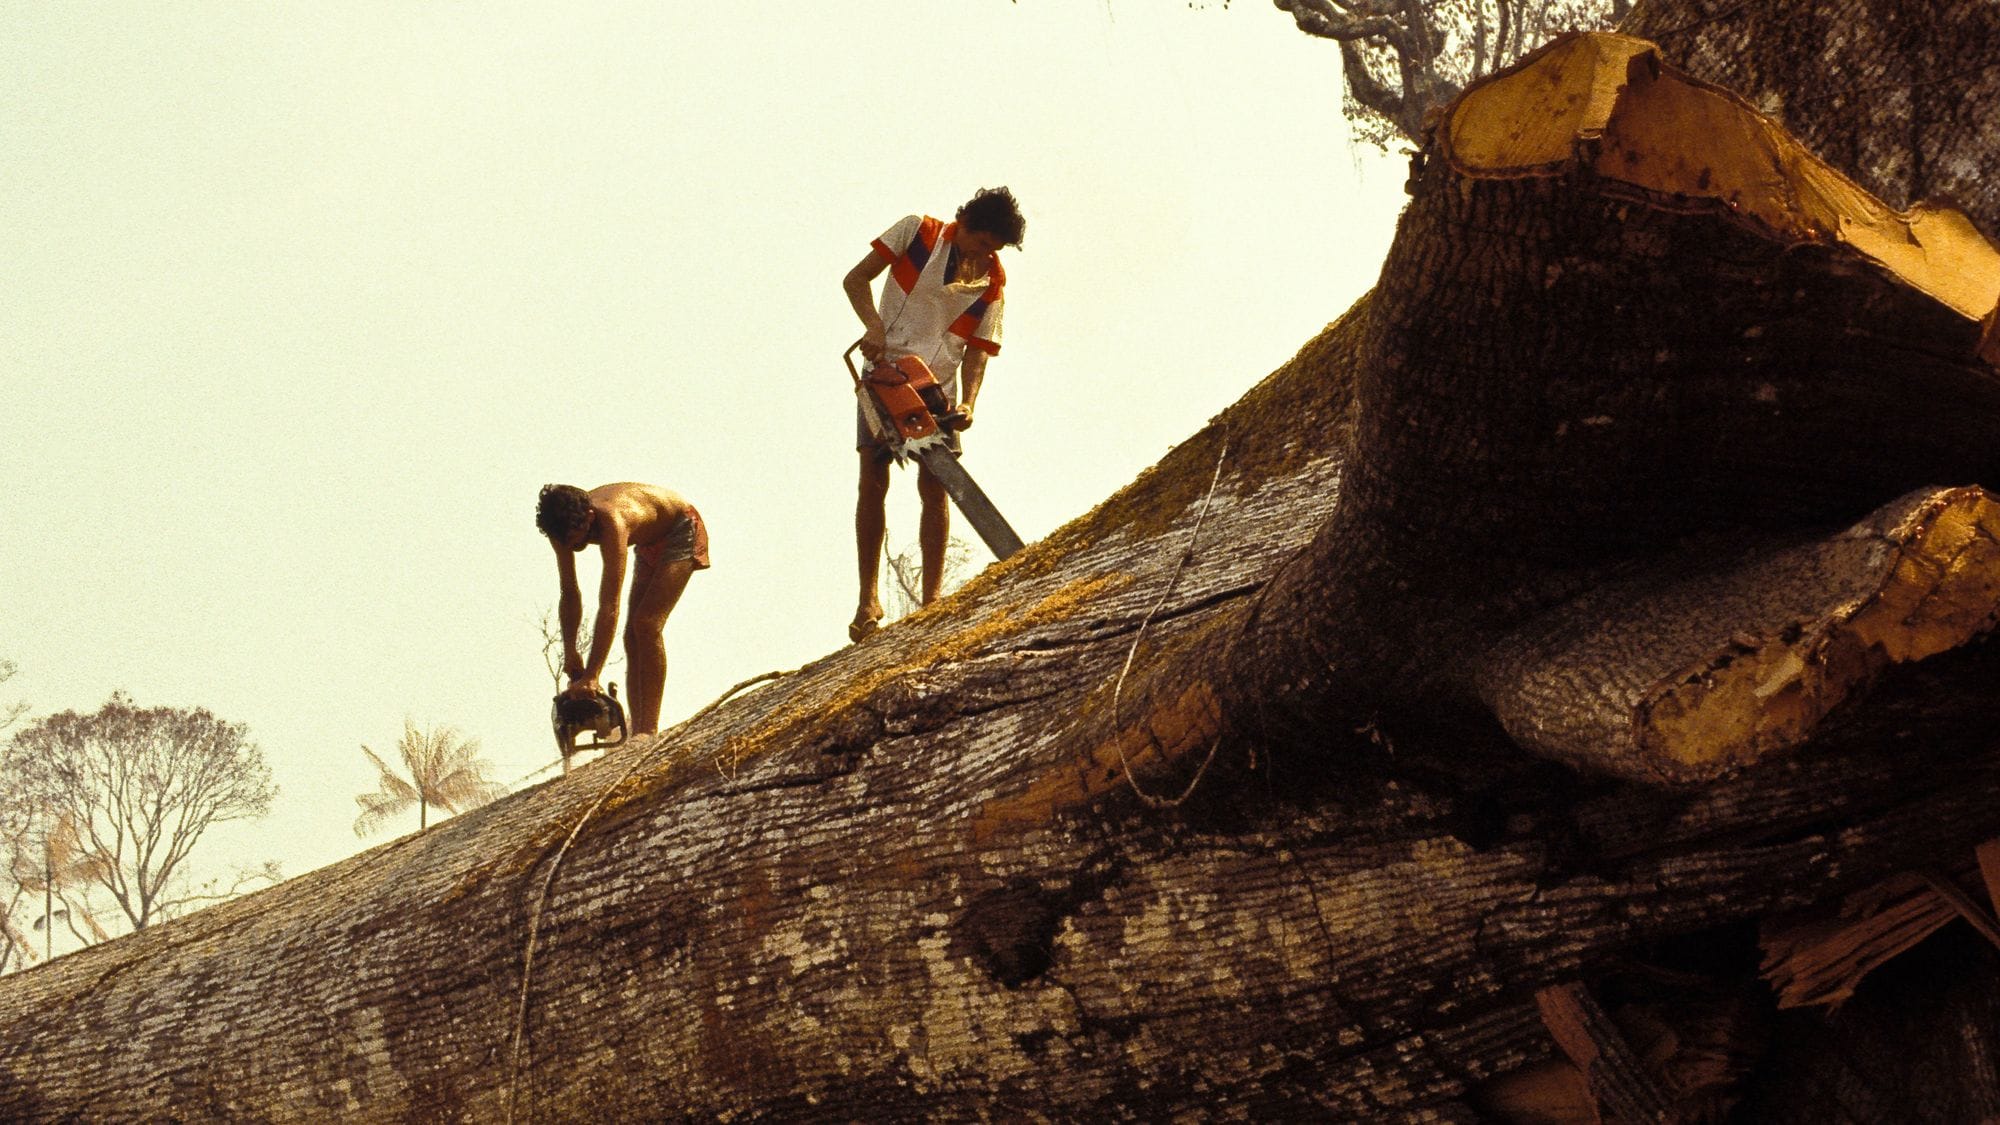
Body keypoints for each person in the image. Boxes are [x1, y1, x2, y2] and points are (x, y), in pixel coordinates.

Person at [841, 186, 1026, 642]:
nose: (985, 253)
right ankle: (867, 601)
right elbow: (855, 279)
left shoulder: (993, 282)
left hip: (937, 385)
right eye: (981, 241)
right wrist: (873, 326)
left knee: (937, 483)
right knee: (873, 476)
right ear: (963, 223)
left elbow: (979, 352)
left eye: (993, 248)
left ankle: (932, 600)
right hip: (884, 370)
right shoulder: (916, 232)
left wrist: (970, 402)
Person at [536, 482, 709, 737]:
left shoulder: (612, 521)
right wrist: (571, 652)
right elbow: (570, 593)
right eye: (567, 542)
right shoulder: (560, 529)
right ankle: (637, 731)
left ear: (589, 517)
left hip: (680, 528)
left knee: (647, 625)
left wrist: (593, 676)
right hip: (647, 542)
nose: (573, 546)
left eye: (578, 537)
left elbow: (610, 604)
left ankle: (648, 731)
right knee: (631, 635)